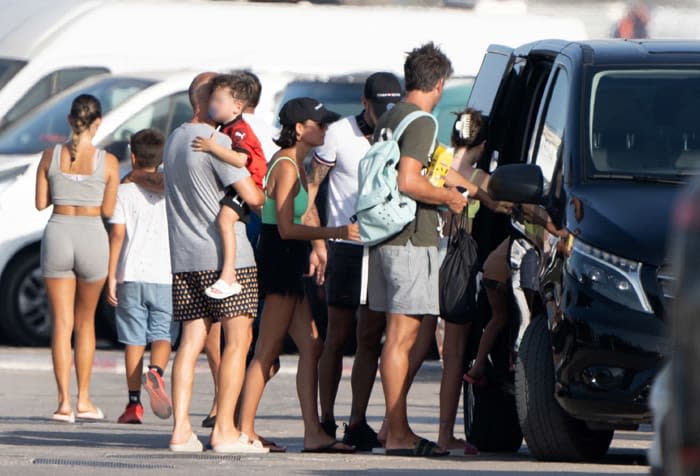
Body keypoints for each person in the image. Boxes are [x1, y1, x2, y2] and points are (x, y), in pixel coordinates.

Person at [368, 43, 492, 457]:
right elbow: (409, 181)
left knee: (397, 337)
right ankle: (399, 432)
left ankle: (391, 429)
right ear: (439, 84)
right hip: (409, 239)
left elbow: (430, 169)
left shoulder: (389, 118)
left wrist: (473, 191)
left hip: (386, 238)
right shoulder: (421, 122)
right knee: (402, 338)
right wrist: (449, 199)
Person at [238, 97, 359, 453]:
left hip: (289, 260)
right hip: (280, 259)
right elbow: (287, 229)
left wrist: (318, 245)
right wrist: (334, 234)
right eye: (319, 124)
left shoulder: (297, 163)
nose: (325, 129)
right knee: (267, 349)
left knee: (312, 344)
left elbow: (295, 224)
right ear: (300, 128)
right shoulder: (288, 166)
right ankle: (243, 430)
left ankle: (312, 432)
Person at [165, 72, 266, 454]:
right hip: (228, 259)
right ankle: (224, 430)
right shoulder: (218, 142)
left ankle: (180, 430)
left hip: (184, 258)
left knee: (190, 341)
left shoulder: (173, 140)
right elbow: (252, 197)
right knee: (238, 343)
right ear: (208, 102)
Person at [308, 72, 402, 449]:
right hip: (344, 246)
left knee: (370, 337)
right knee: (337, 335)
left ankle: (358, 420)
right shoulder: (338, 133)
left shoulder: (399, 131)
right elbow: (311, 188)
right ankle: (326, 418)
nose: (385, 117)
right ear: (365, 103)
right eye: (380, 110)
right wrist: (318, 242)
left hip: (382, 245)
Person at [35, 94, 120, 422]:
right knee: (86, 323)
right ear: (97, 123)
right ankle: (84, 399)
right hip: (91, 236)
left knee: (61, 324)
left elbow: (41, 203)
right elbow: (109, 211)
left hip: (58, 232)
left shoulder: (49, 156)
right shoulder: (107, 162)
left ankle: (63, 404)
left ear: (70, 120)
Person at [106, 128, 180, 424]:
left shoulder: (123, 191)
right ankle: (157, 373)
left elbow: (117, 234)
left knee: (134, 340)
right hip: (165, 274)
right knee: (163, 333)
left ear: (133, 156)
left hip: (130, 274)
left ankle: (133, 404)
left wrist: (111, 276)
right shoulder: (172, 192)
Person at [191, 73, 267, 300]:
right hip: (238, 187)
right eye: (211, 100)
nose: (212, 105)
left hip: (251, 184)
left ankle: (228, 274)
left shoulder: (239, 129)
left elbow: (241, 160)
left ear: (237, 106)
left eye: (218, 101)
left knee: (225, 220)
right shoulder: (225, 127)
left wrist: (212, 148)